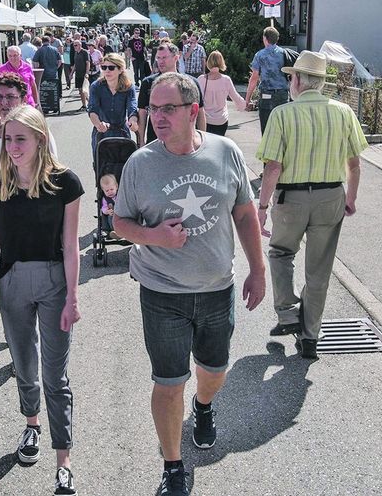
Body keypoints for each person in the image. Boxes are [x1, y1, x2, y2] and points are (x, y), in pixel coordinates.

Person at [113, 73, 266, 496]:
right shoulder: (140, 163)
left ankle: (202, 407)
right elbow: (120, 222)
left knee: (213, 373)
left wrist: (258, 268)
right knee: (168, 380)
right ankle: (173, 466)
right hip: (162, 292)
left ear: (193, 111)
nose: (157, 117)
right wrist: (155, 236)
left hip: (217, 287)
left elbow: (244, 213)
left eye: (168, 109)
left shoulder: (225, 152)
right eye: (153, 108)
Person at [0, 105, 83, 496]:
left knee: (55, 376)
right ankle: (31, 425)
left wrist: (73, 296)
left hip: (54, 280)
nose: (12, 147)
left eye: (20, 139)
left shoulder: (66, 182)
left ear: (41, 138)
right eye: (8, 139)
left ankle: (64, 460)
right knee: (24, 365)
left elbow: (71, 246)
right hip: (12, 284)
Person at [254, 51, 368, 360]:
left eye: (291, 77)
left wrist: (262, 207)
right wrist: (352, 197)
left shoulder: (282, 114)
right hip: (331, 195)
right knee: (319, 271)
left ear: (301, 82)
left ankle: (287, 311)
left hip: (291, 198)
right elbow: (355, 164)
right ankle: (310, 337)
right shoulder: (344, 112)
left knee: (280, 253)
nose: (290, 81)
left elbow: (273, 167)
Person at [136, 43, 206, 147]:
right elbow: (142, 113)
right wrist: (141, 141)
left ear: (176, 58)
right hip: (155, 142)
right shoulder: (148, 83)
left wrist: (202, 139)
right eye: (158, 58)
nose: (160, 61)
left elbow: (200, 112)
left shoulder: (191, 83)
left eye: (164, 57)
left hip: (185, 143)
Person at [0, 73, 58, 161]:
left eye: (10, 97)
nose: (4, 102)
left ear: (24, 100)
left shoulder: (37, 130)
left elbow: (52, 165)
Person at [244, 26, 298, 134]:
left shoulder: (259, 55)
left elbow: (254, 78)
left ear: (265, 38)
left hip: (266, 94)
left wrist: (248, 98)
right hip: (282, 94)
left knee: (266, 127)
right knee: (282, 127)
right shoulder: (284, 53)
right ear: (276, 39)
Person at [87, 53, 138, 159]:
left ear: (120, 69)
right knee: (102, 168)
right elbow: (93, 109)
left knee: (123, 169)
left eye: (111, 67)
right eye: (104, 67)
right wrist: (99, 124)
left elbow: (132, 107)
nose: (107, 71)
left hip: (121, 132)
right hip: (101, 133)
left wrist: (133, 122)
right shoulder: (96, 86)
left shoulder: (128, 87)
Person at [197, 51, 247, 136]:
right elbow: (235, 97)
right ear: (221, 62)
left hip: (204, 120)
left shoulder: (201, 79)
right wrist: (244, 105)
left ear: (208, 62)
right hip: (221, 121)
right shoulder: (226, 80)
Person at [72, 40, 91, 107]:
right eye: (74, 45)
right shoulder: (76, 53)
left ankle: (91, 104)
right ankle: (84, 105)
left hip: (84, 74)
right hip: (78, 74)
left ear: (80, 45)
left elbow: (88, 63)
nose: (74, 47)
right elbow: (75, 64)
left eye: (76, 45)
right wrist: (71, 73)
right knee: (80, 91)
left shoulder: (84, 52)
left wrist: (87, 73)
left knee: (84, 91)